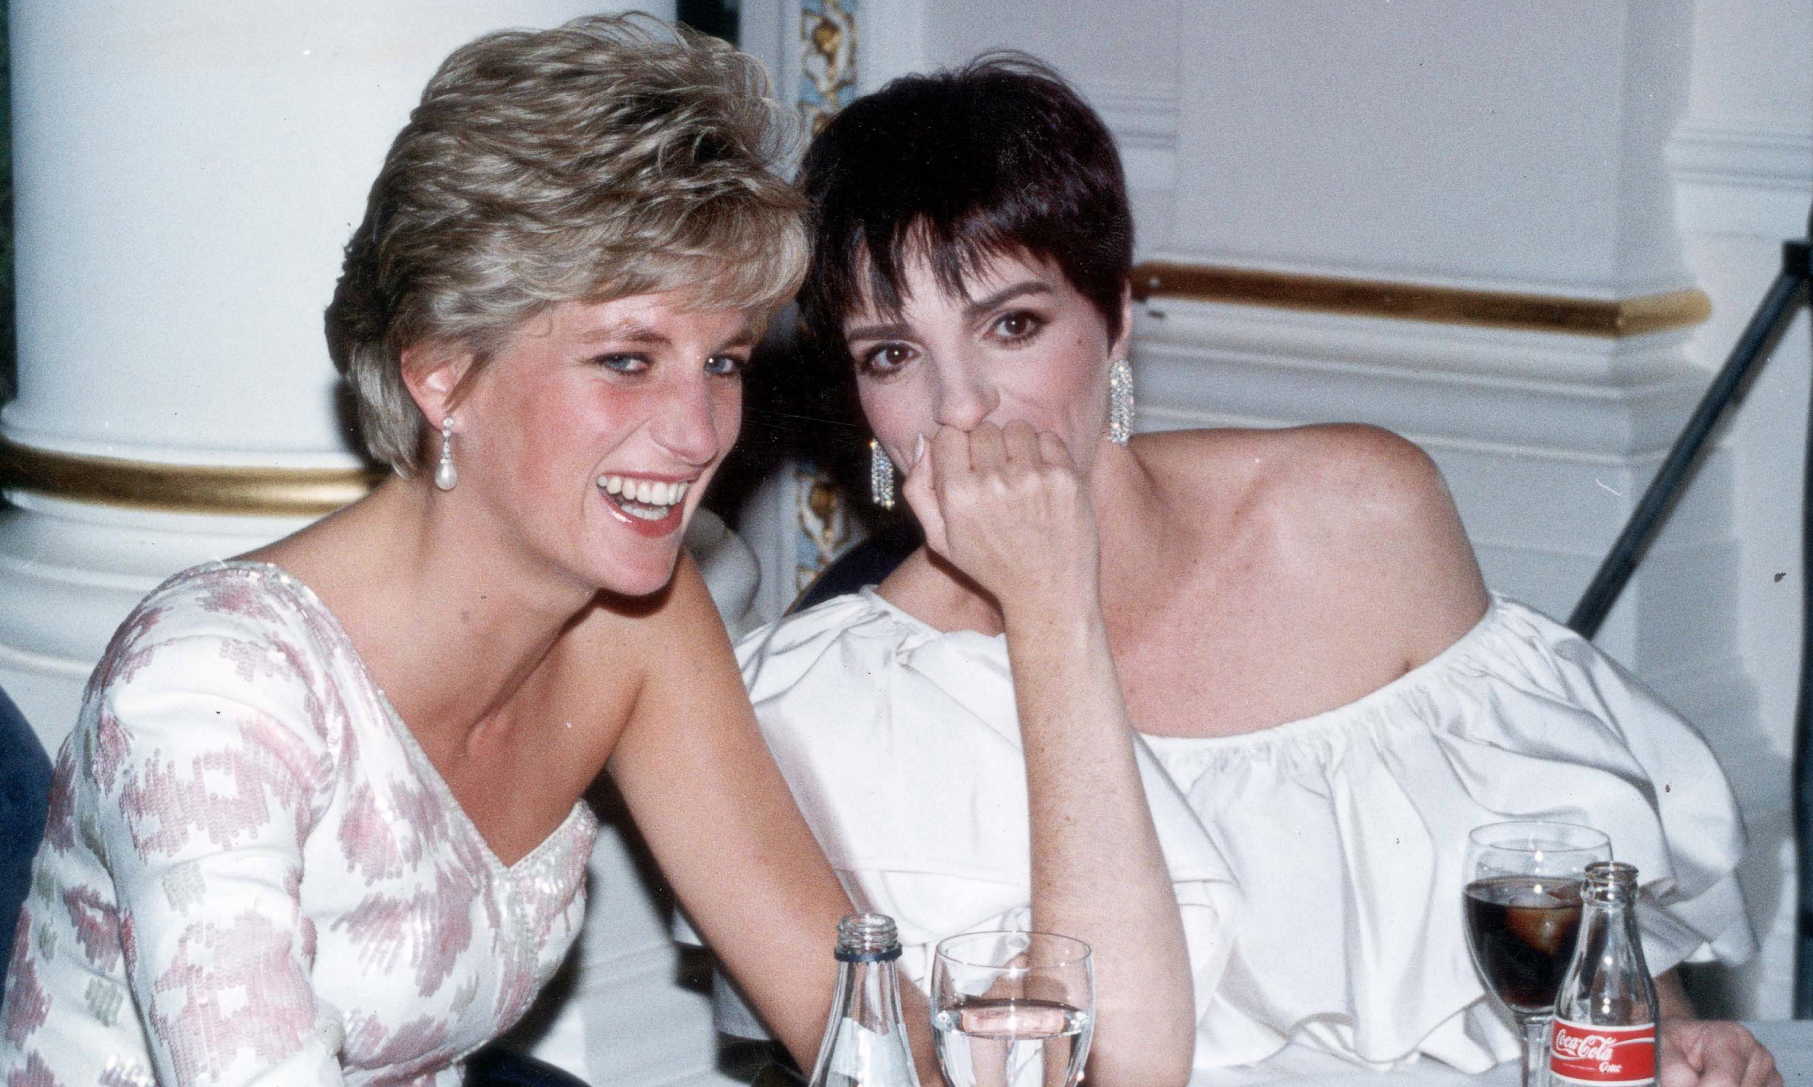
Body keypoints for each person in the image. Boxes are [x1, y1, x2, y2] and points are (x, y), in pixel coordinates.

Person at [740, 55, 1780, 1087]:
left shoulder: (1357, 515)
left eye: (1012, 325)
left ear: (1115, 320)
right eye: (891, 354)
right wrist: (1050, 603)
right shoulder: (841, 709)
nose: (960, 407)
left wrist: (1670, 1036)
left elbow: (1568, 900)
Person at [0, 17, 860, 1086]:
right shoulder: (209, 691)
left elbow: (846, 1011)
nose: (699, 429)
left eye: (720, 361)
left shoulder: (641, 625)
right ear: (441, 372)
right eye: (626, 359)